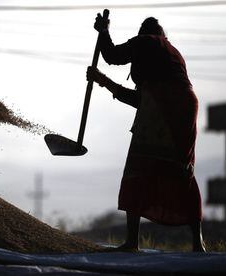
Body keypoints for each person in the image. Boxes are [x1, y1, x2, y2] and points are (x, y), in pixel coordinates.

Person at [86, 15, 205, 252]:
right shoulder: (171, 53)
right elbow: (141, 99)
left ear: (143, 34)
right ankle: (197, 243)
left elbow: (111, 56)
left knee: (138, 168)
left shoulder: (144, 42)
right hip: (186, 106)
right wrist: (103, 81)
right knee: (182, 170)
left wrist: (103, 31)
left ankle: (131, 242)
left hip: (164, 104)